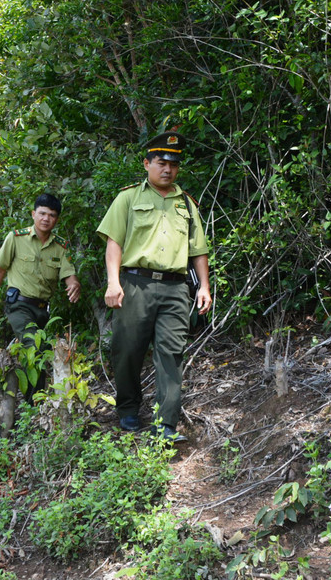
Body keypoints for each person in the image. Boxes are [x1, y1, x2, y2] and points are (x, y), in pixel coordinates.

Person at [96, 131, 212, 441]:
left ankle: (166, 425)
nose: (168, 170)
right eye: (161, 163)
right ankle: (129, 410)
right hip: (135, 285)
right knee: (127, 351)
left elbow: (198, 249)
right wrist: (113, 282)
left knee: (171, 354)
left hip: (175, 289)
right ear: (147, 163)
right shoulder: (128, 198)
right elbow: (113, 243)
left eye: (174, 165)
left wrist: (204, 287)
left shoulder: (186, 204)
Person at [0, 193, 81, 401]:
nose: (46, 219)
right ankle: (33, 402)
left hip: (43, 310)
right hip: (18, 305)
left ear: (56, 219)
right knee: (33, 345)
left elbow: (69, 275)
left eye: (51, 215)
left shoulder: (61, 246)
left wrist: (74, 284)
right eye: (42, 213)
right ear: (34, 214)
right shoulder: (16, 238)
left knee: (36, 351)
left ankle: (32, 398)